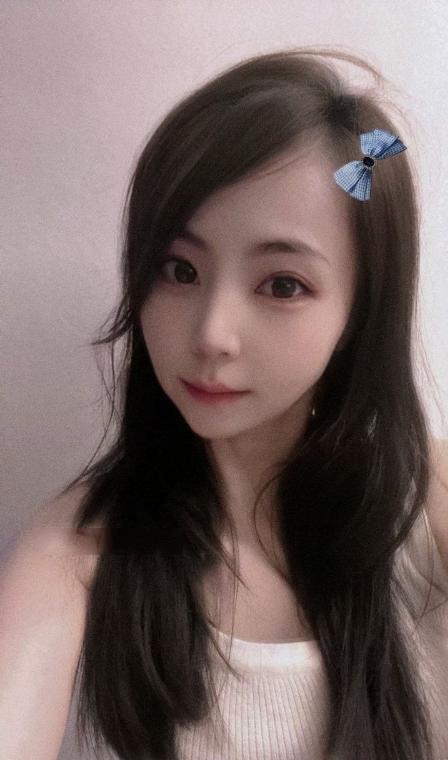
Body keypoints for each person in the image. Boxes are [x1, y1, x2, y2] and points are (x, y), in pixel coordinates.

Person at [1, 46, 448, 760]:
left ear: (361, 309)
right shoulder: (80, 551)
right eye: (179, 270)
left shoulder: (426, 505)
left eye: (282, 285)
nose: (211, 333)